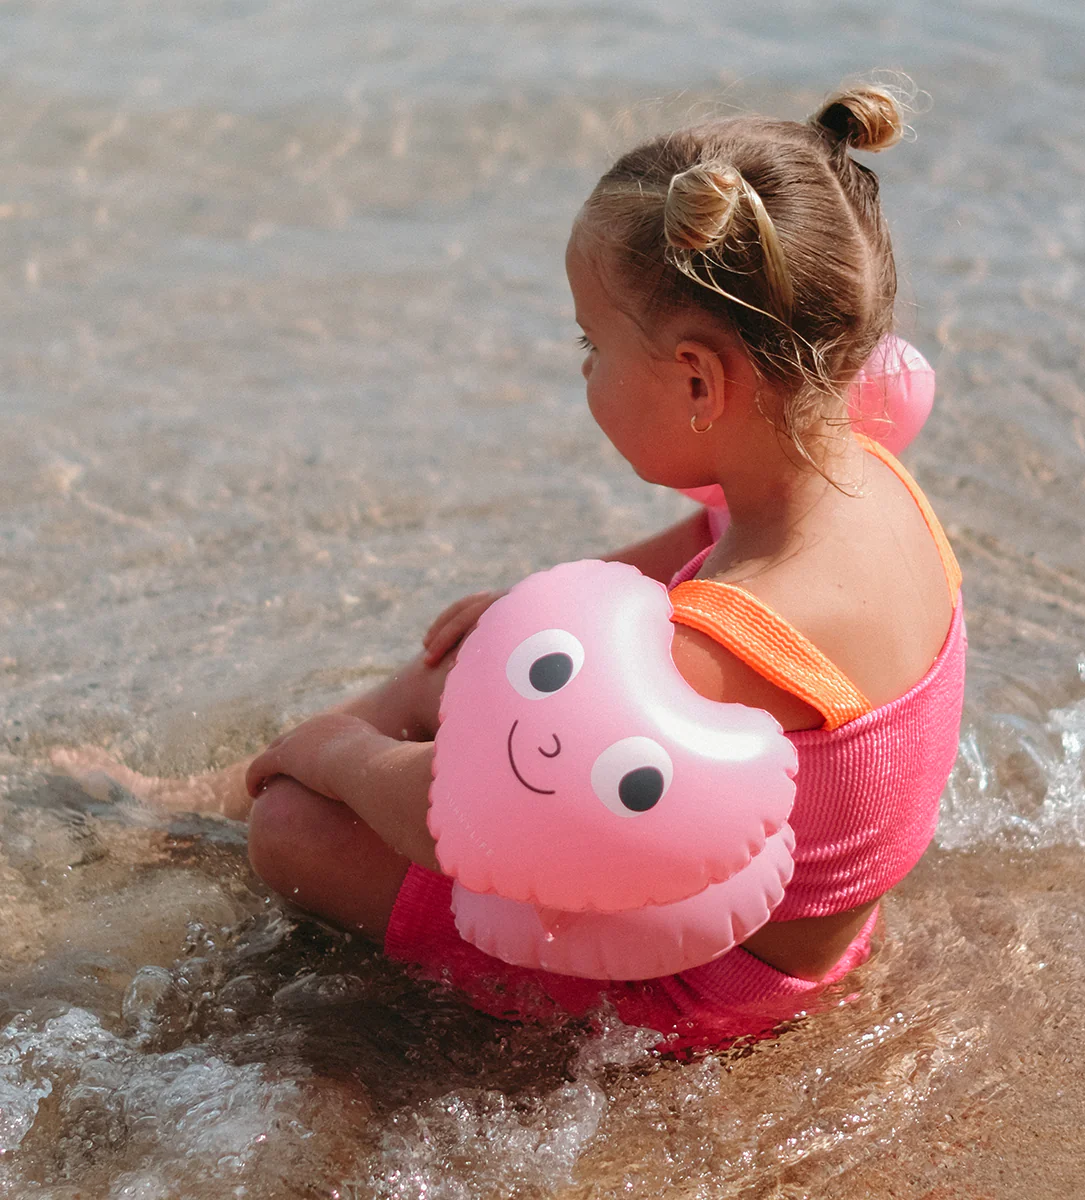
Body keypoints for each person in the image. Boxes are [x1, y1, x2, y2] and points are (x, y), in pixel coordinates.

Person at [54, 84, 966, 1053]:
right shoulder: (862, 477)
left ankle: (232, 799)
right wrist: (520, 625)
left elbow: (472, 819)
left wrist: (333, 755)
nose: (583, 369)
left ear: (699, 380)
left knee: (291, 828)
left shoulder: (730, 644)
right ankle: (201, 796)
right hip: (804, 915)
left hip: (705, 984)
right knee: (478, 657)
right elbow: (673, 562)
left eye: (592, 344)